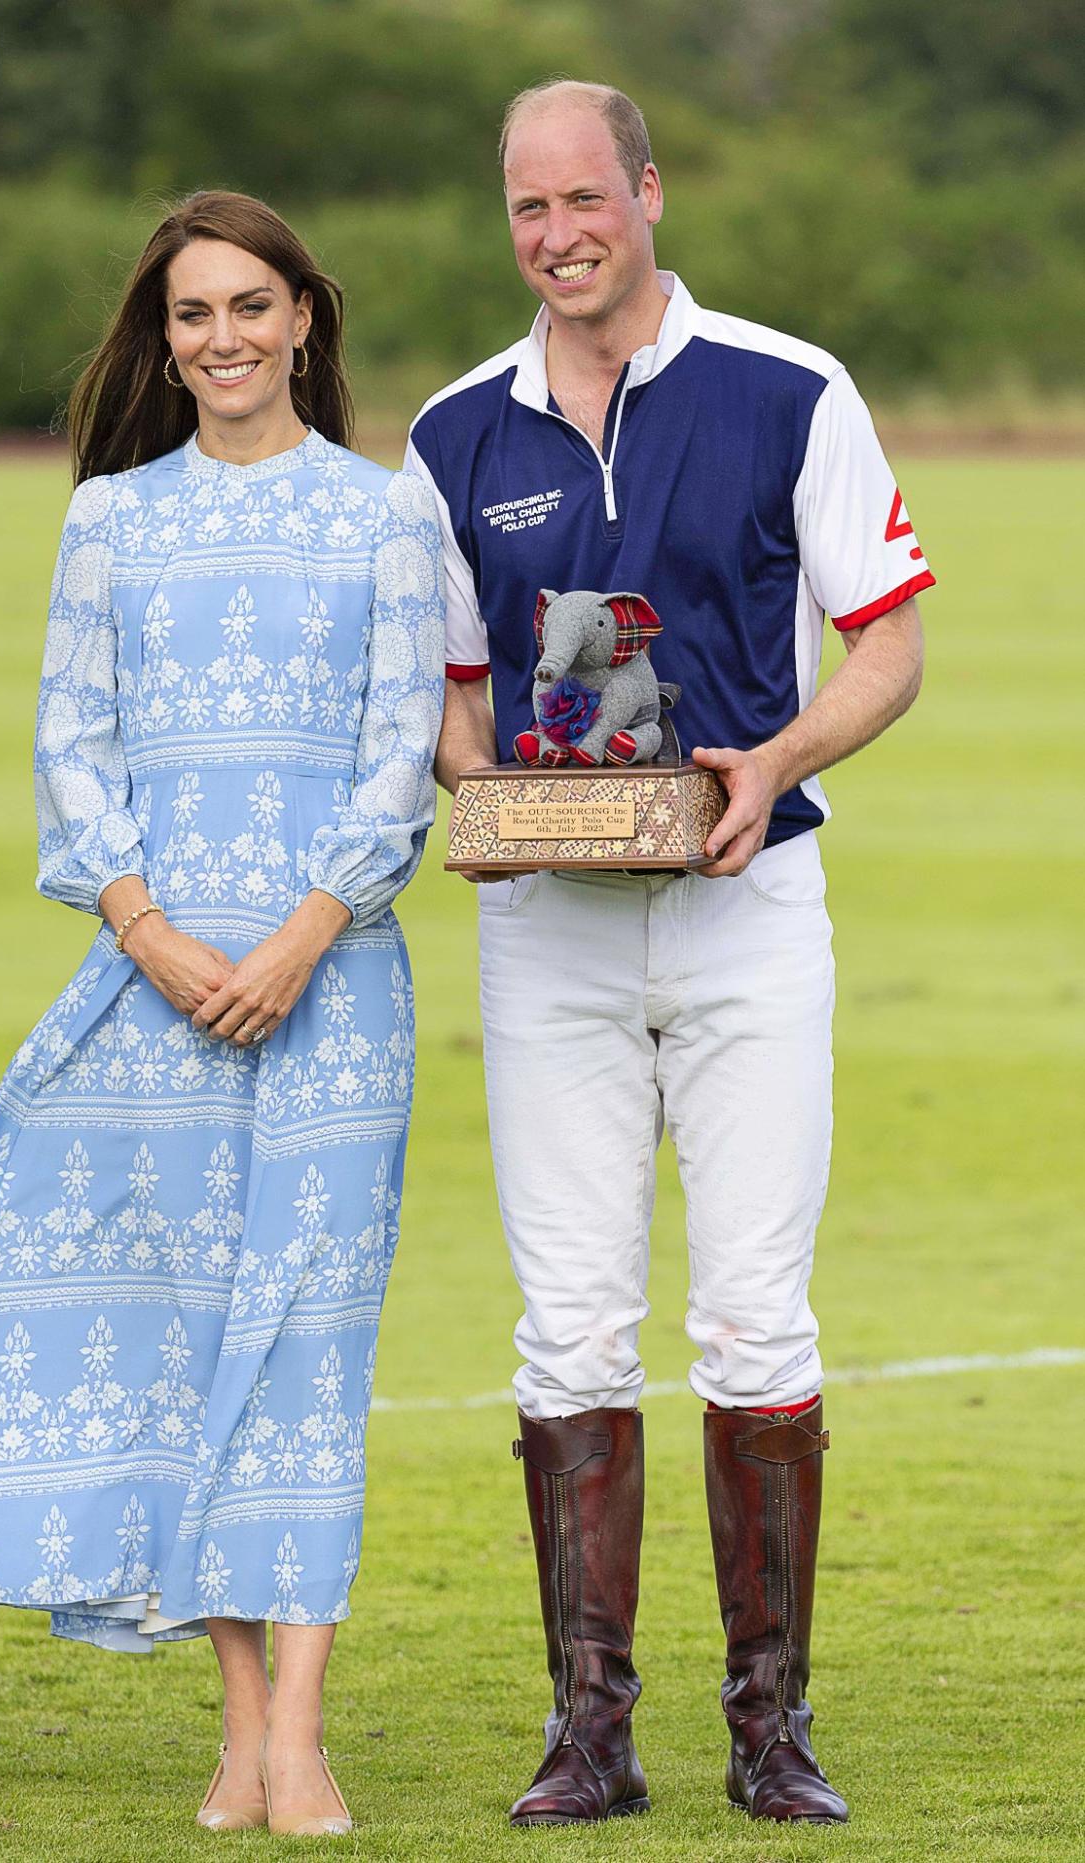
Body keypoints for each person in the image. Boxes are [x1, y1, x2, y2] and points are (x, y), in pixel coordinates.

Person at [0, 190, 444, 1839]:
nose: (225, 338)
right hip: (157, 996)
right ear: (161, 338)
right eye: (194, 314)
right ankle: (237, 1726)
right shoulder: (111, 519)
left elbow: (403, 761)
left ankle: (300, 1738)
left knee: (306, 1359)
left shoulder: (389, 516)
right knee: (195, 1360)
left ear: (303, 318)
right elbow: (70, 752)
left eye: (252, 306)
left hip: (334, 998)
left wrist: (303, 935)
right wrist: (159, 939)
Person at [407, 81, 930, 1827]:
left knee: (752, 1314)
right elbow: (453, 696)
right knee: (565, 1332)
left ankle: (769, 1731)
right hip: (547, 941)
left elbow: (887, 644)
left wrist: (770, 763)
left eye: (582, 199)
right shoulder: (451, 433)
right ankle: (591, 1736)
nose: (555, 236)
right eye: (523, 208)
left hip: (747, 909)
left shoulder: (790, 385)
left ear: (646, 190)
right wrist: (485, 799)